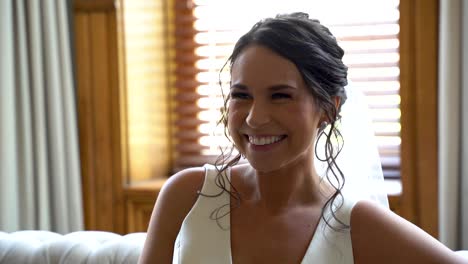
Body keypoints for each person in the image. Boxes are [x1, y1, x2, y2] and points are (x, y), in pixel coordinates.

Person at [139, 12, 466, 264]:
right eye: (242, 95)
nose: (254, 118)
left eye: (280, 96)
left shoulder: (358, 222)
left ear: (328, 109)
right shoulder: (185, 196)